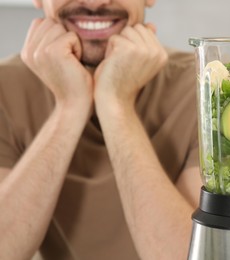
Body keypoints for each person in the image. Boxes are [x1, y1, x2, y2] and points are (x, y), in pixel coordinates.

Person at [0, 0, 202, 259]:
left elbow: (190, 255)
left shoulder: (209, 88)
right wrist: (70, 106)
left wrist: (116, 105)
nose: (95, 2)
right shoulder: (5, 88)